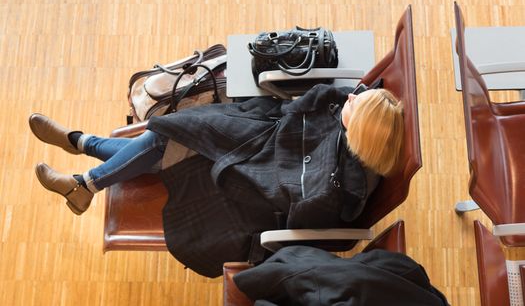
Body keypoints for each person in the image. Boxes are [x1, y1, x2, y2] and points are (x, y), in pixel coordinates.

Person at [30, 84, 404, 276]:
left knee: (169, 140)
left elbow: (294, 209)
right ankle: (84, 158)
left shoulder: (341, 185)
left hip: (249, 189)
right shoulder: (348, 128)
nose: (350, 98)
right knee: (173, 138)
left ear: (362, 132)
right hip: (258, 142)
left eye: (356, 104)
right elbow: (300, 116)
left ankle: (84, 167)